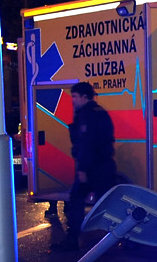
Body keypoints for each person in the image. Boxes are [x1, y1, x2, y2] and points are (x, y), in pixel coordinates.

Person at [50, 82, 117, 252]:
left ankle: (72, 241)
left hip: (93, 167)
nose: (72, 100)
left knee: (76, 201)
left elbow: (87, 144)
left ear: (84, 97)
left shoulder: (87, 115)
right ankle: (121, 238)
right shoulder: (100, 112)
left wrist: (82, 170)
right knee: (106, 204)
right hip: (104, 166)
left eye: (74, 96)